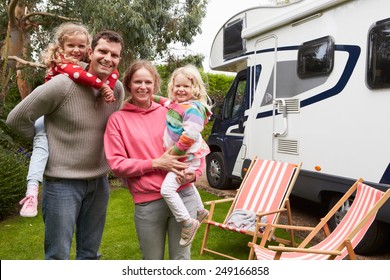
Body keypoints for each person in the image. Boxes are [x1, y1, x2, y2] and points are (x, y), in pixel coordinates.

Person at [6, 29, 125, 260]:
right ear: (90, 52)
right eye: (102, 51)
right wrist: (45, 139)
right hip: (62, 184)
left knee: (90, 255)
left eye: (115, 55)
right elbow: (17, 118)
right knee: (58, 257)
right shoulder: (62, 85)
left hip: (99, 183)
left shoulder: (116, 89)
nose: (108, 58)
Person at [104, 60, 205, 259]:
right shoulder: (118, 120)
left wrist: (195, 173)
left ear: (155, 84)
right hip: (148, 203)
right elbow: (117, 165)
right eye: (137, 82)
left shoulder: (172, 111)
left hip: (183, 195)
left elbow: (196, 143)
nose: (143, 87)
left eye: (148, 82)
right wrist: (156, 163)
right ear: (128, 85)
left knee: (181, 260)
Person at [19, 22, 118, 218]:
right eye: (71, 45)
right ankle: (31, 191)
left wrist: (108, 87)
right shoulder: (63, 67)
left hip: (96, 179)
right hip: (45, 119)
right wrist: (104, 88)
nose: (76, 50)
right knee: (41, 147)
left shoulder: (89, 70)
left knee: (91, 248)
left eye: (81, 46)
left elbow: (112, 74)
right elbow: (17, 119)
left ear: (88, 49)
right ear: (61, 47)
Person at [153, 64, 212, 247]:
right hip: (185, 157)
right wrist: (149, 96)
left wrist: (175, 153)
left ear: (194, 89)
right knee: (186, 185)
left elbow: (190, 135)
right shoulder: (179, 105)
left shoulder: (192, 109)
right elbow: (164, 101)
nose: (180, 89)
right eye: (177, 86)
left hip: (185, 158)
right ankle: (201, 210)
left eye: (185, 86)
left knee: (167, 190)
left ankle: (187, 222)